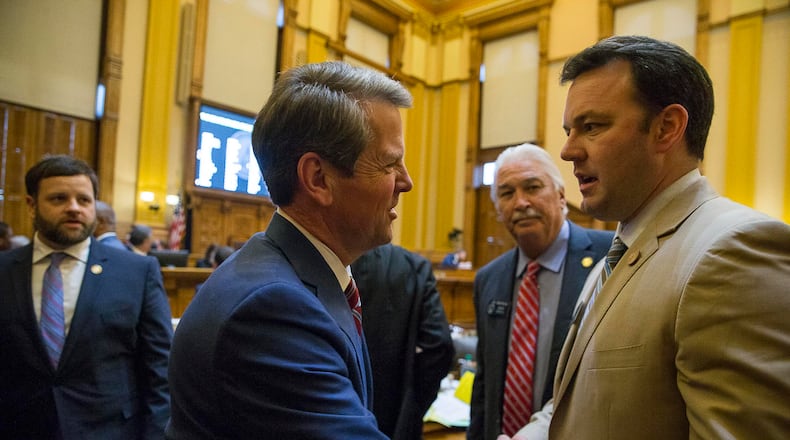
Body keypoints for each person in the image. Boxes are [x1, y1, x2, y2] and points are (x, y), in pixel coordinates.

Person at [505, 35, 790, 440]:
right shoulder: (620, 249)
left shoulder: (732, 251)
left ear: (666, 129)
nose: (567, 152)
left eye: (592, 127)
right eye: (570, 130)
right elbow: (577, 405)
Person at [166, 61, 414, 439]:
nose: (406, 182)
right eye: (389, 164)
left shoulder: (297, 277)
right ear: (318, 179)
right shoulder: (273, 309)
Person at [0, 155, 173, 438]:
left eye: (84, 200)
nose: (73, 208)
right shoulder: (4, 270)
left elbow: (160, 368)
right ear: (32, 206)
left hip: (110, 430)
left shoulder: (137, 272)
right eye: (58, 199)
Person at [468, 143, 613, 440]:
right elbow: (485, 386)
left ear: (561, 196)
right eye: (507, 194)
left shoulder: (609, 257)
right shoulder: (489, 279)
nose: (521, 203)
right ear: (498, 209)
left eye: (532, 187)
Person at [351, 243, 455, 439]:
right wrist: (412, 405)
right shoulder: (414, 267)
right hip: (396, 418)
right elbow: (440, 346)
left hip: (329, 417)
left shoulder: (318, 261)